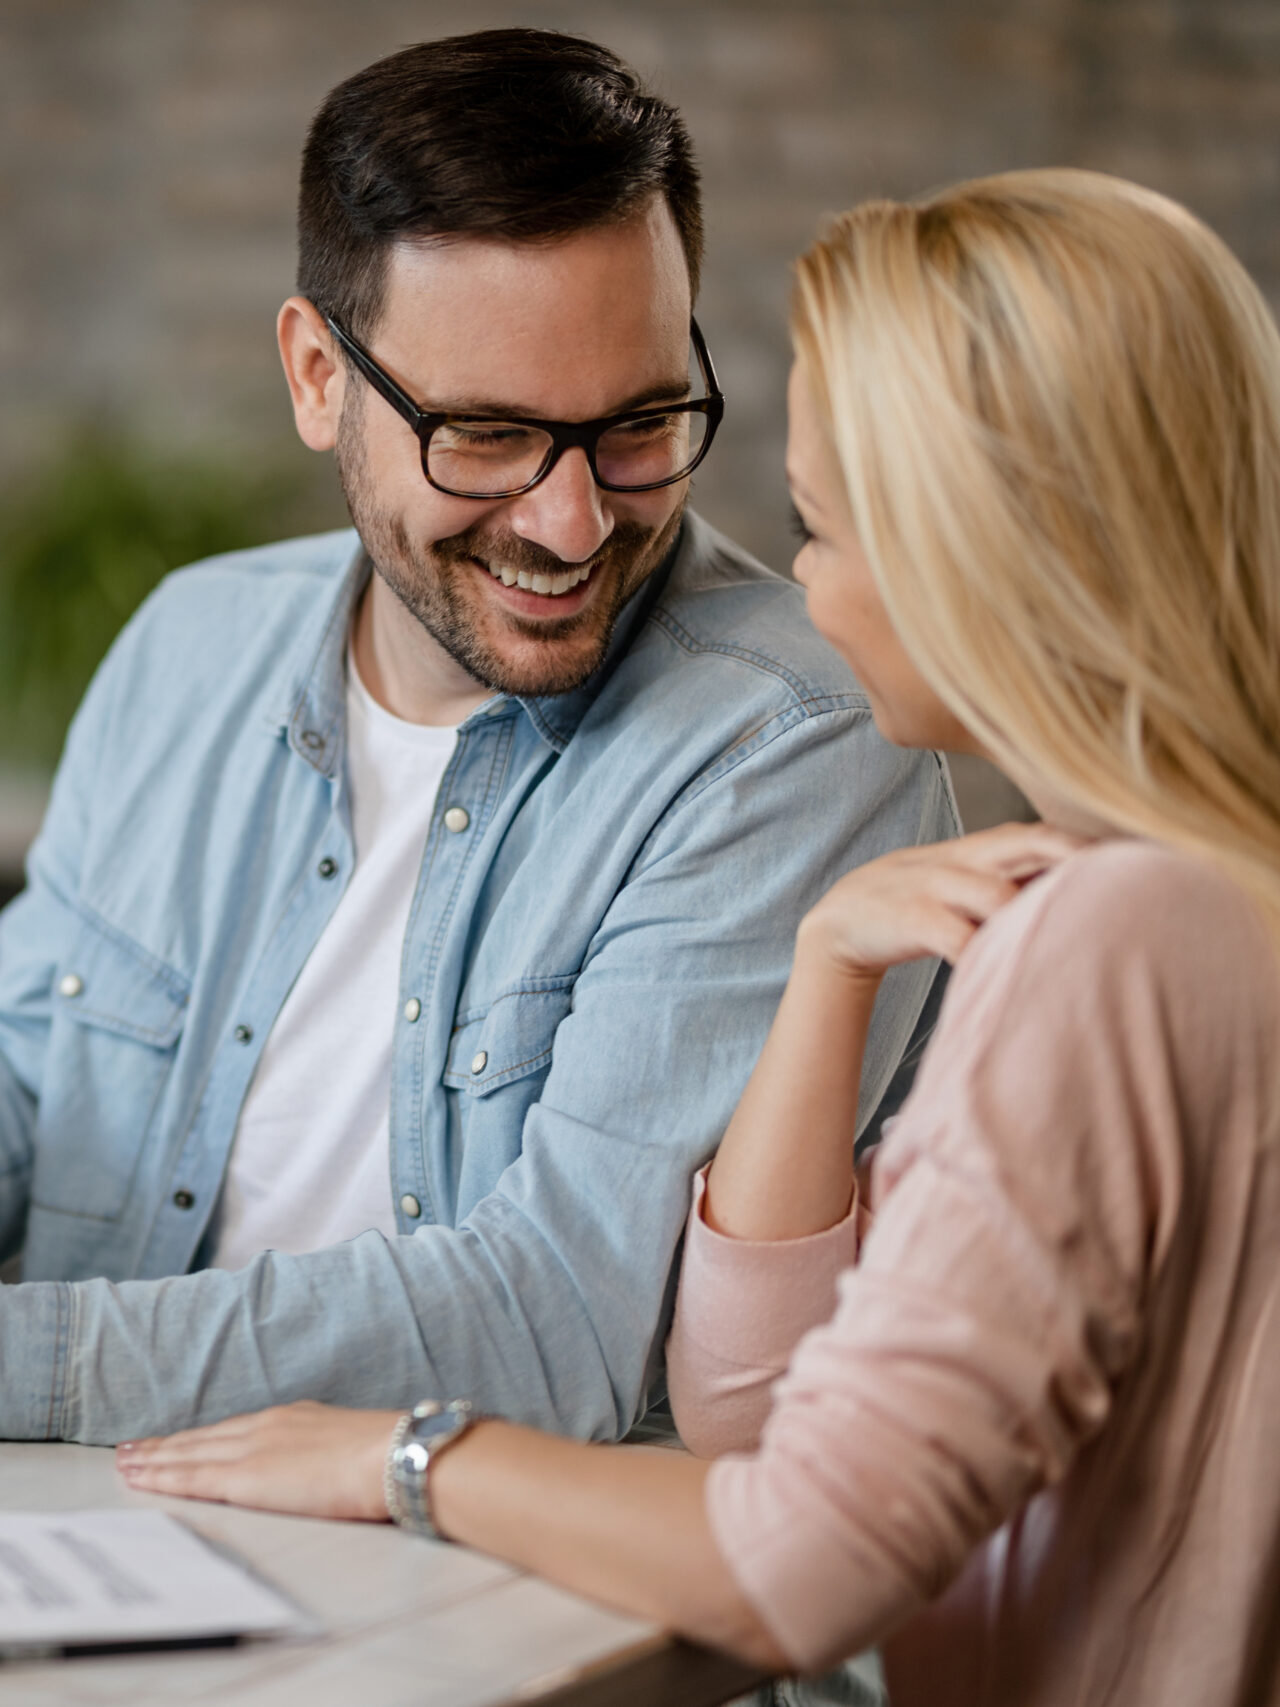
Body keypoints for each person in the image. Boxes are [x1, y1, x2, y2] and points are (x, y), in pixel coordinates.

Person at [0, 31, 954, 1442]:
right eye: (484, 435)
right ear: (319, 375)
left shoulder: (791, 732)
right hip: (107, 1543)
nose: (571, 521)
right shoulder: (193, 643)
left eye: (638, 424)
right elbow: (39, 1068)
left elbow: (573, 1316)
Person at [117, 168, 1280, 1705]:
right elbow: (757, 1410)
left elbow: (801, 1554)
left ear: (984, 549)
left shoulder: (1118, 949)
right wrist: (825, 970)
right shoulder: (1177, 900)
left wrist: (405, 1450)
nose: (800, 580)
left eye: (821, 524)